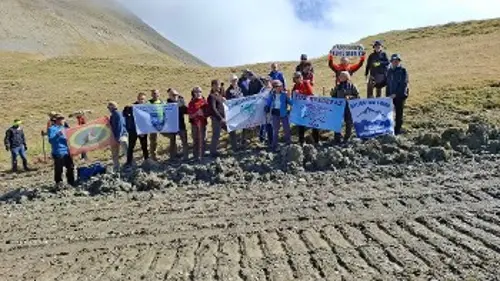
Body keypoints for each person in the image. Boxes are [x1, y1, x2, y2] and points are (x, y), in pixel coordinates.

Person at [331, 71, 360, 143]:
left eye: (342, 76)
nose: (340, 77)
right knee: (337, 122)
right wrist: (332, 92)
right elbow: (333, 96)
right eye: (340, 76)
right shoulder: (337, 86)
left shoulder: (352, 86)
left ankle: (347, 137)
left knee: (348, 122)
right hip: (339, 107)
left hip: (348, 107)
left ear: (346, 77)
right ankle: (337, 138)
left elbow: (357, 96)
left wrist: (350, 97)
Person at [291, 72, 319, 145]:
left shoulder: (306, 83)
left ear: (301, 77)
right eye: (296, 77)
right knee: (301, 124)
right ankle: (301, 141)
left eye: (299, 76)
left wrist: (299, 92)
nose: (298, 78)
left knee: (313, 124)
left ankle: (316, 141)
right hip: (301, 108)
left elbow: (311, 93)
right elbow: (293, 96)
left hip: (309, 106)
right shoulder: (295, 86)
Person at [47, 114, 75, 186]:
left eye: (63, 119)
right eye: (61, 119)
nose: (63, 120)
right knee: (59, 168)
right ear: (57, 120)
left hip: (67, 151)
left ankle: (71, 182)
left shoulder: (65, 128)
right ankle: (58, 182)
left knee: (70, 167)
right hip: (58, 151)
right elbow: (51, 140)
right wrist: (58, 134)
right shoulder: (52, 129)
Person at [266, 80, 292, 152]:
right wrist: (267, 107)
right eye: (278, 86)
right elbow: (268, 102)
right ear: (274, 87)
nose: (280, 87)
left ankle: (288, 143)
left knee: (286, 129)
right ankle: (274, 145)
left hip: (284, 114)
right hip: (275, 114)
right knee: (275, 130)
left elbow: (290, 102)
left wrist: (289, 97)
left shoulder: (284, 94)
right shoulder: (272, 95)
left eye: (281, 86)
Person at [123, 92, 149, 166]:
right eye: (140, 99)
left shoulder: (147, 107)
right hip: (133, 131)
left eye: (143, 99)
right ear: (137, 99)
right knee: (131, 147)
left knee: (144, 146)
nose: (142, 101)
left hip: (143, 130)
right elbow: (124, 114)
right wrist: (126, 109)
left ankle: (146, 160)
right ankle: (129, 162)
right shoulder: (132, 107)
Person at [386, 54, 409, 135]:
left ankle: (397, 131)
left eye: (397, 61)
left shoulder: (403, 70)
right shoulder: (389, 71)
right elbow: (387, 84)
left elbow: (404, 84)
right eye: (394, 61)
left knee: (399, 114)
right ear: (391, 61)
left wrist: (396, 94)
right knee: (389, 114)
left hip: (400, 96)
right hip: (390, 97)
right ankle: (390, 129)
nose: (395, 62)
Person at [167, 88, 189, 160]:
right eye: (173, 95)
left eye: (177, 94)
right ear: (169, 96)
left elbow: (187, 111)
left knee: (184, 142)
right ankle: (172, 158)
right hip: (172, 126)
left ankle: (186, 157)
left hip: (181, 125)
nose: (175, 96)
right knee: (172, 143)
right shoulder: (167, 104)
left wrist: (183, 105)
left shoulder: (181, 102)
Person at [187, 87, 208, 161]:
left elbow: (208, 112)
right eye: (196, 92)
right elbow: (190, 115)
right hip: (195, 125)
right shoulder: (191, 103)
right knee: (196, 140)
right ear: (194, 93)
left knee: (203, 139)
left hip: (203, 124)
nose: (198, 93)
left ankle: (202, 155)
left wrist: (204, 114)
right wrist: (196, 113)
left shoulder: (204, 101)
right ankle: (195, 156)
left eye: (200, 91)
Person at [206, 79, 226, 157]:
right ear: (213, 86)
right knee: (216, 135)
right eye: (217, 85)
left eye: (219, 85)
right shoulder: (211, 96)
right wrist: (220, 118)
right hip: (217, 119)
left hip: (223, 118)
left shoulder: (219, 95)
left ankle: (235, 147)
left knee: (231, 131)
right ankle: (213, 152)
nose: (219, 86)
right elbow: (213, 109)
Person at [225, 74, 244, 150]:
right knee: (233, 129)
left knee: (243, 127)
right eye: (233, 80)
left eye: (235, 80)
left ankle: (242, 144)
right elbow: (228, 102)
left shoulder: (241, 88)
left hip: (242, 110)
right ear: (230, 81)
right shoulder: (228, 91)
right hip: (233, 112)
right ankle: (234, 147)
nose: (234, 82)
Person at [108, 101, 128, 172]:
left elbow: (120, 126)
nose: (108, 108)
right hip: (115, 136)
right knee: (115, 153)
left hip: (120, 136)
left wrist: (118, 137)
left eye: (109, 106)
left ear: (114, 107)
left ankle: (130, 164)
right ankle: (116, 168)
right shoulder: (112, 115)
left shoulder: (117, 114)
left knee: (125, 151)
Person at [149, 89, 165, 160]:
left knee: (171, 136)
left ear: (159, 94)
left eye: (156, 93)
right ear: (151, 95)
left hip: (162, 123)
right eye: (153, 93)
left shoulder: (162, 102)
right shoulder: (149, 102)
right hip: (153, 124)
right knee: (153, 140)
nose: (155, 95)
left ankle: (173, 152)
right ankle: (153, 155)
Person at [259, 77, 274, 145]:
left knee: (269, 124)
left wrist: (269, 106)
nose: (266, 82)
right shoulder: (262, 89)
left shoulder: (272, 90)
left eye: (267, 81)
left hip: (270, 109)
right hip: (262, 108)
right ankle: (262, 138)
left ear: (270, 81)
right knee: (262, 123)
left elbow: (273, 99)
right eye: (265, 81)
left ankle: (270, 140)